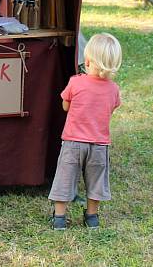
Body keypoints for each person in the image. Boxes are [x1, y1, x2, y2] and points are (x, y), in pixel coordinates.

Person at [49, 33, 122, 230]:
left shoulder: (75, 82)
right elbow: (112, 108)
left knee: (65, 178)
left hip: (73, 142)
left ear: (87, 60)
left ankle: (59, 218)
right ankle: (91, 217)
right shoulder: (113, 89)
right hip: (99, 144)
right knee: (96, 180)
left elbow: (66, 106)